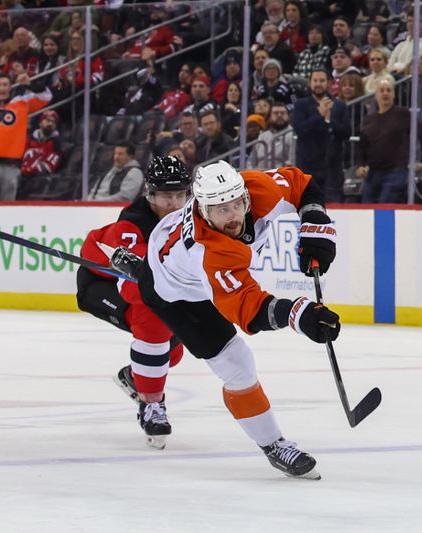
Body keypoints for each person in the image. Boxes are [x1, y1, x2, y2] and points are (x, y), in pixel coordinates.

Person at [105, 160, 340, 479]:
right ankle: (273, 444)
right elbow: (250, 309)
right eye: (220, 209)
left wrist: (315, 223)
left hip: (175, 255)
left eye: (236, 204)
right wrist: (301, 315)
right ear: (202, 209)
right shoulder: (209, 250)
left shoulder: (256, 188)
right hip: (175, 293)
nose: (232, 216)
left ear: (245, 195)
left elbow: (301, 183)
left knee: (229, 352)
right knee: (237, 364)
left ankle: (138, 267)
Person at [77, 156, 192, 449]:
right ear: (150, 194)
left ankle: (135, 375)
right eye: (166, 195)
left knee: (174, 350)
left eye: (180, 194)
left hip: (151, 289)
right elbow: (141, 274)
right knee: (150, 312)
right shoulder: (133, 223)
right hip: (102, 286)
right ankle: (152, 406)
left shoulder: (191, 217)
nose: (174, 202)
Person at [0, 48, 51, 201]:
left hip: (11, 165)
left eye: (5, 85)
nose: (2, 88)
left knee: (7, 210)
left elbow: (46, 96)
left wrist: (30, 83)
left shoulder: (22, 103)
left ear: (10, 87)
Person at [357, 78, 422, 203]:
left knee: (385, 205)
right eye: (382, 90)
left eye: (388, 90)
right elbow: (362, 146)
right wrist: (360, 165)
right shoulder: (369, 119)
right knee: (366, 207)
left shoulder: (403, 114)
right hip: (372, 172)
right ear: (376, 95)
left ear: (394, 94)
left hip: (396, 171)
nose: (385, 93)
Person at [292, 68, 351, 202]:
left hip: (332, 169)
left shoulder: (339, 106)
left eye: (322, 80)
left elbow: (346, 133)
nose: (318, 84)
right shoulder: (301, 105)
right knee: (308, 206)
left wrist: (329, 120)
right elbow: (300, 129)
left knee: (333, 207)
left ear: (329, 83)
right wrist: (319, 115)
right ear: (310, 83)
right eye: (315, 80)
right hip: (307, 168)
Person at [20, 109, 62, 180]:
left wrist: (27, 170)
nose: (50, 124)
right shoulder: (28, 140)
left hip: (39, 180)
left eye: (53, 122)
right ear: (40, 123)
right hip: (20, 175)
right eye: (48, 120)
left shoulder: (56, 144)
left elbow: (48, 166)